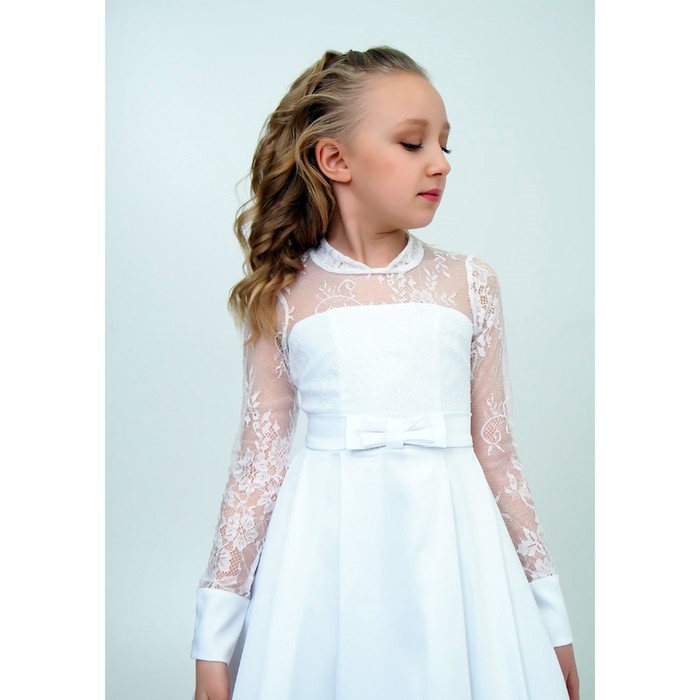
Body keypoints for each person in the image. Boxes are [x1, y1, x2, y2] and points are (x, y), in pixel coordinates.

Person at [191, 46, 580, 700]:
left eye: (445, 144)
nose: (440, 162)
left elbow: (498, 452)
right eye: (411, 142)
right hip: (326, 556)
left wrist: (550, 616)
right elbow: (258, 465)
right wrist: (213, 640)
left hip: (456, 556)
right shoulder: (284, 295)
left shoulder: (469, 283)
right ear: (335, 159)